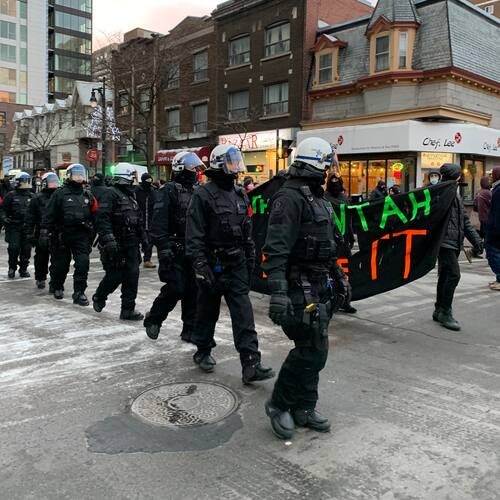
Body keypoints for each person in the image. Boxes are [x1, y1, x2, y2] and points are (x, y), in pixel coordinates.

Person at [261, 138, 349, 440]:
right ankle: (279, 404)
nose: (331, 170)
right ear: (315, 163)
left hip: (319, 283)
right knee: (311, 350)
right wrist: (279, 293)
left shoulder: (317, 198)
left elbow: (328, 245)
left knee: (316, 345)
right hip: (298, 284)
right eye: (327, 163)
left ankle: (305, 406)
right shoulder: (289, 198)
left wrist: (338, 273)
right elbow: (276, 250)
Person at [185, 144, 275, 385]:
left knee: (244, 314)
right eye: (231, 161)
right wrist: (200, 265)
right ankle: (203, 350)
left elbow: (248, 233)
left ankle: (251, 364)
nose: (236, 166)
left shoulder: (239, 194)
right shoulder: (202, 195)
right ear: (218, 164)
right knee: (207, 312)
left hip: (236, 264)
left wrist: (250, 260)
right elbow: (193, 236)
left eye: (237, 161)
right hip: (212, 264)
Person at [144, 152, 204, 341]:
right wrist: (164, 247)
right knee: (176, 287)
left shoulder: (198, 191)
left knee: (193, 290)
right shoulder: (168, 190)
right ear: (180, 168)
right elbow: (158, 223)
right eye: (192, 168)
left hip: (193, 248)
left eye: (196, 168)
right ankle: (154, 318)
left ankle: (189, 329)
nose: (195, 171)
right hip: (173, 247)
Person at [433, 163, 483, 331]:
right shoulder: (442, 194)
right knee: (454, 275)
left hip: (453, 242)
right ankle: (445, 312)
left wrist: (476, 241)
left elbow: (465, 222)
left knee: (446, 275)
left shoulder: (454, 194)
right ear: (456, 177)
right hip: (445, 243)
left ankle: (439, 308)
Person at [92, 164, 144, 320]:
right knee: (115, 275)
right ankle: (100, 296)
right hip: (115, 244)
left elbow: (137, 219)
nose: (135, 179)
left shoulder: (131, 196)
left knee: (132, 276)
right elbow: (102, 218)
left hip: (131, 243)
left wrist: (144, 239)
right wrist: (108, 239)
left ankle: (128, 309)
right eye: (133, 176)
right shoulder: (110, 194)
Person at [40, 164, 97, 305]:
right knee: (61, 264)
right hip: (62, 234)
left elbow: (96, 214)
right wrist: (44, 232)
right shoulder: (59, 194)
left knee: (83, 263)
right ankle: (57, 285)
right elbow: (49, 214)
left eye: (81, 174)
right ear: (70, 175)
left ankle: (79, 292)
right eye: (76, 174)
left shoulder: (87, 195)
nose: (79, 177)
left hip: (81, 235)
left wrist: (98, 232)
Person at [325, 172, 357, 314]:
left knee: (346, 274)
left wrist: (350, 237)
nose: (335, 184)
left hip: (343, 241)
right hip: (329, 240)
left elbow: (348, 218)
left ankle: (346, 301)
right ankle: (331, 299)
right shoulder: (324, 198)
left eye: (337, 181)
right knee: (329, 273)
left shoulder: (344, 198)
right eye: (332, 182)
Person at [24, 172, 59, 289]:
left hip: (57, 231)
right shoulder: (37, 198)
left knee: (57, 259)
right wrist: (29, 233)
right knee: (41, 257)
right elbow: (30, 217)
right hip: (41, 231)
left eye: (55, 181)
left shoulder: (60, 196)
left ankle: (55, 281)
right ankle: (40, 277)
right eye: (51, 182)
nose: (53, 184)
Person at [0, 172, 34, 279]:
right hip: (14, 226)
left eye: (27, 181)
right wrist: (4, 218)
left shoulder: (32, 196)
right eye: (23, 181)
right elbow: (2, 209)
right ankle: (12, 267)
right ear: (18, 182)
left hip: (27, 227)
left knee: (26, 249)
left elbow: (36, 211)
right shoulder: (11, 195)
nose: (26, 183)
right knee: (14, 248)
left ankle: (23, 269)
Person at [136, 172, 157, 268]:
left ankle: (147, 259)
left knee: (150, 241)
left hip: (151, 220)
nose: (149, 182)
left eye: (150, 180)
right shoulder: (137, 191)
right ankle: (136, 258)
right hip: (139, 220)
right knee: (138, 240)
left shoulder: (153, 191)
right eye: (147, 180)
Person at [485, 166, 500, 291]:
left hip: (496, 230)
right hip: (495, 228)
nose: (490, 177)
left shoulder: (498, 190)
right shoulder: (496, 188)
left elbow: (496, 212)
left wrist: (493, 229)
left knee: (493, 254)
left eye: (491, 174)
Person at [473, 176, 492, 257]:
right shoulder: (488, 193)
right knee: (488, 237)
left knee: (480, 236)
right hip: (487, 218)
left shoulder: (479, 192)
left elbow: (475, 206)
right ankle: (487, 254)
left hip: (480, 218)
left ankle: (475, 251)